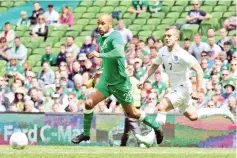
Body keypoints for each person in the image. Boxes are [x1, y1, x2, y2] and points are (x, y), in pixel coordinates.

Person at [135, 26, 235, 147]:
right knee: (193, 115)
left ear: (177, 37)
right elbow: (154, 66)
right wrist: (143, 79)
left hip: (183, 90)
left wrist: (198, 91)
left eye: (169, 35)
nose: (166, 38)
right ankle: (222, 110)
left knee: (162, 107)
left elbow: (199, 70)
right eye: (165, 35)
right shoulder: (162, 51)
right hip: (175, 90)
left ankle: (150, 138)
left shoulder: (183, 54)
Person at [71, 14, 163, 144]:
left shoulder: (116, 36)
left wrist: (99, 54)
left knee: (133, 113)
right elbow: (109, 60)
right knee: (88, 103)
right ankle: (86, 134)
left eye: (102, 23)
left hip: (120, 83)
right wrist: (101, 71)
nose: (99, 26)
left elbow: (119, 53)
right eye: (98, 23)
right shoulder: (101, 39)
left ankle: (157, 127)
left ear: (110, 24)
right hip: (106, 81)